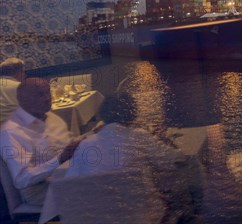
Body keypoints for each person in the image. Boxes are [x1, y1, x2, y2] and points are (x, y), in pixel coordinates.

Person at [66, 93, 199, 222]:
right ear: (132, 112)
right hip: (142, 215)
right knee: (181, 188)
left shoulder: (85, 144)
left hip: (98, 217)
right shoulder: (139, 136)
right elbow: (176, 158)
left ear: (103, 114)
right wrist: (162, 138)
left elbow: (72, 185)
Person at [0, 78, 81, 205]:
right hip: (41, 190)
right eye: (39, 95)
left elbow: (66, 145)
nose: (47, 98)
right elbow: (22, 179)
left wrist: (90, 137)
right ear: (22, 100)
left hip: (65, 176)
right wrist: (59, 159)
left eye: (47, 92)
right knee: (97, 191)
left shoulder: (51, 117)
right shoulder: (11, 131)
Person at [0, 57, 25, 123]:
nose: (24, 75)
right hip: (14, 126)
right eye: (23, 72)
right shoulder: (20, 87)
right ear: (18, 73)